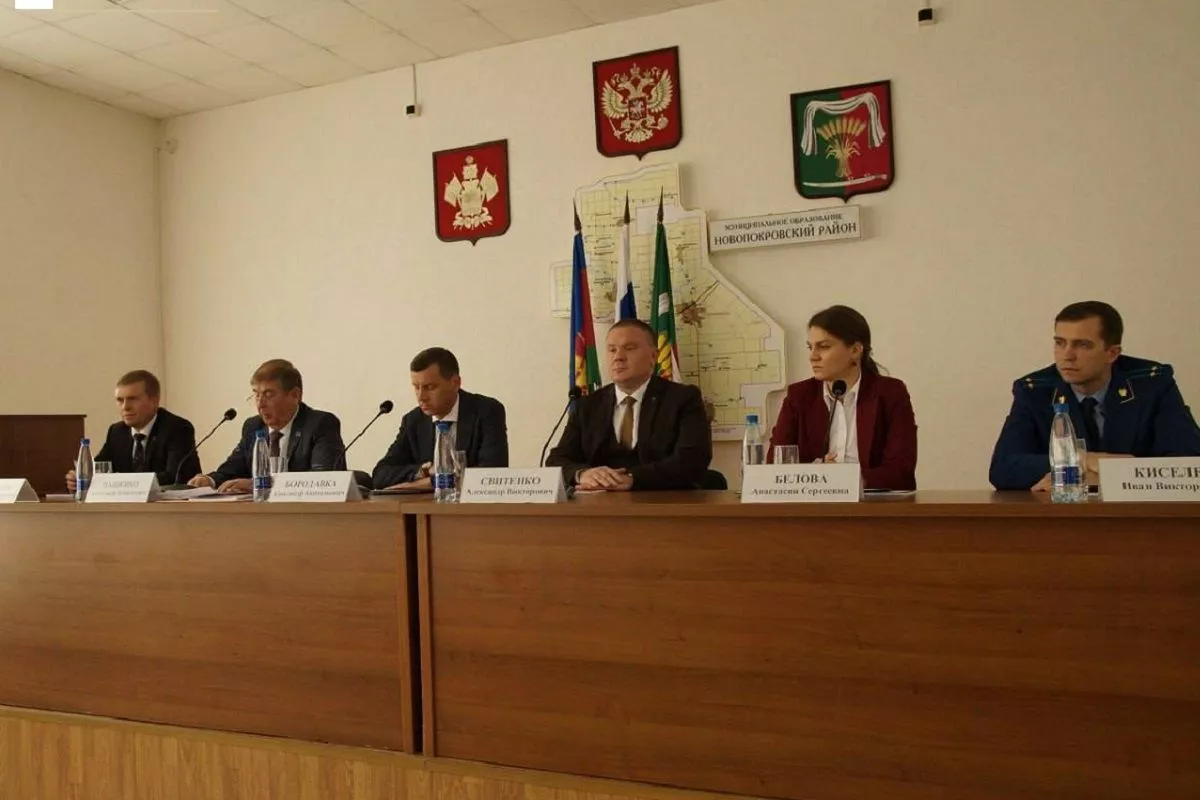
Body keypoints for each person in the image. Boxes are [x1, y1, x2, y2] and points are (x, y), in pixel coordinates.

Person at [990, 301, 1200, 491]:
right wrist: (1082, 461)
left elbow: (1190, 462)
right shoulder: (1035, 391)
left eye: (1082, 345)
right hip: (1066, 515)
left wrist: (1111, 477)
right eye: (1060, 343)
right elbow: (1003, 468)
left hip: (1139, 515)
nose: (1067, 355)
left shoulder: (1152, 385)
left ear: (1112, 353)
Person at [547, 319, 712, 491]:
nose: (618, 357)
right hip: (599, 503)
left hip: (663, 501)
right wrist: (582, 474)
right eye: (612, 350)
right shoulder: (588, 405)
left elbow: (693, 460)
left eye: (630, 348)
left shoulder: (682, 398)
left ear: (653, 356)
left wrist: (633, 478)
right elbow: (556, 460)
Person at [767, 305, 917, 490]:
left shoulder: (890, 393)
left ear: (855, 350)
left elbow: (901, 472)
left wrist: (841, 479)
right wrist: (816, 474)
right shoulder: (799, 396)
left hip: (872, 503)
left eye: (823, 347)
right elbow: (775, 465)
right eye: (810, 347)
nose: (813, 357)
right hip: (814, 504)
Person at [188, 359, 345, 493]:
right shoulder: (253, 426)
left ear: (295, 395)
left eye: (268, 394)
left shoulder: (320, 424)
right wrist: (209, 480)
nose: (260, 404)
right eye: (256, 394)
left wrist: (259, 484)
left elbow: (324, 480)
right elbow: (231, 470)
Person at [371, 347, 508, 489]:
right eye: (416, 387)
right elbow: (380, 476)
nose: (421, 397)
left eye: (429, 387)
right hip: (424, 504)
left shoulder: (487, 412)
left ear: (455, 383)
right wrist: (424, 471)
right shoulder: (413, 421)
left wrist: (433, 482)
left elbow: (491, 476)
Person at [65, 370, 200, 491]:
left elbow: (175, 477)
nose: (125, 407)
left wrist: (119, 482)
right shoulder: (117, 432)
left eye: (132, 399)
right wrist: (81, 477)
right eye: (120, 400)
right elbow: (100, 470)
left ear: (154, 401)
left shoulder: (177, 428)